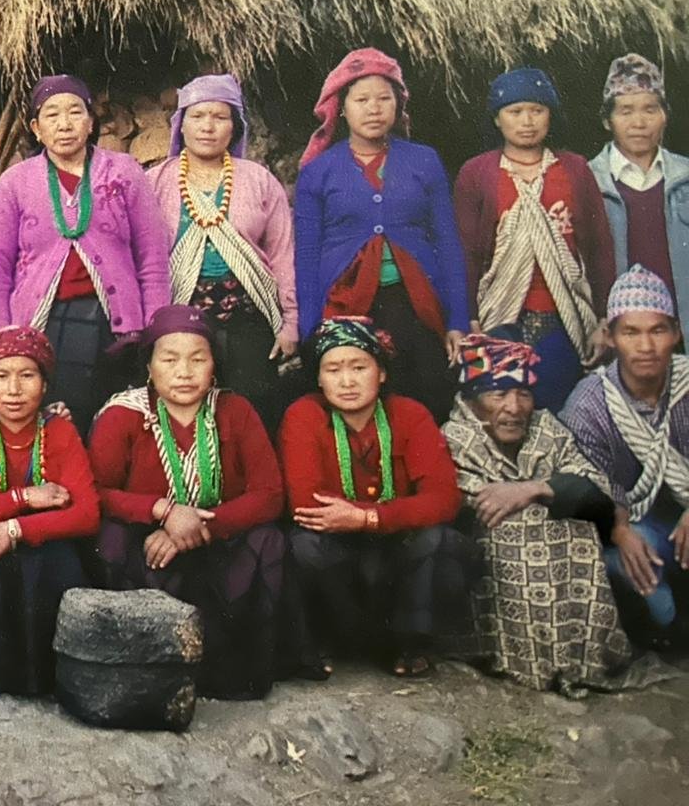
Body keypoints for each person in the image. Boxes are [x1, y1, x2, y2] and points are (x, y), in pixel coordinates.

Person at [89, 305, 287, 699]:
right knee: (111, 540)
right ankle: (141, 662)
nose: (184, 371)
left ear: (214, 365)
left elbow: (269, 494)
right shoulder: (123, 415)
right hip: (149, 542)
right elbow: (97, 491)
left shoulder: (234, 410)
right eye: (170, 359)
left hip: (216, 534)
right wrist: (162, 512)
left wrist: (198, 529)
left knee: (270, 541)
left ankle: (243, 668)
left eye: (198, 359)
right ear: (149, 365)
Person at [0, 75, 170, 437]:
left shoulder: (124, 171)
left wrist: (155, 326)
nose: (64, 124)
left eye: (74, 112)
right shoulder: (16, 181)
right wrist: (3, 337)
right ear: (36, 128)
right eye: (51, 115)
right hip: (45, 324)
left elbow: (152, 257)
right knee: (61, 423)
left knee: (117, 421)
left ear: (90, 121)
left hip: (117, 325)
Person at [442, 332, 630, 693]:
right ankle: (521, 661)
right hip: (479, 562)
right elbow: (478, 503)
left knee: (573, 525)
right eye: (498, 394)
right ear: (473, 399)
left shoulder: (547, 429)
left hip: (553, 541)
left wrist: (535, 488)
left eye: (523, 393)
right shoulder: (455, 437)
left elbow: (595, 488)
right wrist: (543, 498)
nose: (513, 407)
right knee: (516, 525)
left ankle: (582, 660)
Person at [280, 316, 466, 677]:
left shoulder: (410, 415)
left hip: (397, 543)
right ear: (318, 378)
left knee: (437, 540)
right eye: (333, 369)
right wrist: (391, 513)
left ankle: (408, 643)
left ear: (381, 372)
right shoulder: (303, 415)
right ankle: (343, 640)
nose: (347, 381)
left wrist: (368, 518)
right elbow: (308, 504)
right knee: (304, 547)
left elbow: (444, 498)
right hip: (340, 548)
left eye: (359, 367)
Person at [294, 49, 468, 423]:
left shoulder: (424, 161)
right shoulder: (318, 171)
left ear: (398, 104)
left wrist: (458, 321)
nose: (373, 108)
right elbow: (306, 257)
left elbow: (449, 244)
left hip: (416, 305)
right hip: (345, 306)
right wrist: (310, 329)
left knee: (427, 397)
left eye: (384, 98)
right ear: (342, 108)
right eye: (362, 100)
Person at [0, 325, 98, 697]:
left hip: (45, 545)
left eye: (27, 376)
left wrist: (13, 530)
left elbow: (87, 514)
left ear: (45, 385)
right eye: (1, 376)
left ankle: (50, 682)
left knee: (57, 560)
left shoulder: (59, 431)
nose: (14, 390)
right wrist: (24, 499)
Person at [455, 68, 615, 413]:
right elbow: (465, 253)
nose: (527, 121)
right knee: (503, 415)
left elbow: (599, 247)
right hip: (498, 317)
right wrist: (469, 318)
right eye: (515, 112)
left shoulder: (573, 169)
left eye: (537, 110)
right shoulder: (477, 172)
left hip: (563, 317)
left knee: (559, 411)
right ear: (497, 119)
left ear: (550, 115)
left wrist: (604, 318)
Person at [147, 74, 297, 431]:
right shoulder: (155, 182)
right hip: (182, 320)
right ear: (180, 126)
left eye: (220, 117)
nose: (208, 127)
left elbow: (282, 253)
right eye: (197, 117)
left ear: (235, 127)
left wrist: (290, 321)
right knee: (188, 414)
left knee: (253, 413)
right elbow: (144, 259)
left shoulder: (259, 180)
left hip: (250, 317)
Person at [562, 266, 689, 649]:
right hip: (634, 524)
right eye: (631, 332)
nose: (646, 347)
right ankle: (667, 625)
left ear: (676, 334)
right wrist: (619, 531)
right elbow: (589, 485)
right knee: (633, 561)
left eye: (658, 330)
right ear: (611, 337)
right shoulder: (590, 403)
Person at [587, 53, 689, 313]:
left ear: (665, 115)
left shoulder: (685, 177)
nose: (639, 123)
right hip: (618, 335)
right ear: (606, 121)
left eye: (650, 109)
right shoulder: (587, 182)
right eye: (626, 111)